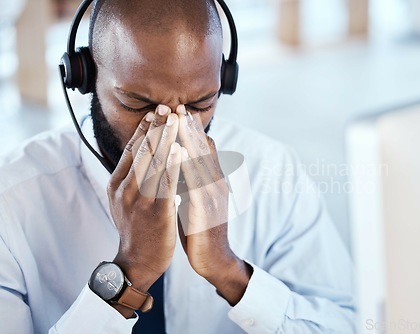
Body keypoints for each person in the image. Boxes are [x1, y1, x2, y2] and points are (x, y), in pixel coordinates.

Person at [0, 0, 354, 333]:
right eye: (137, 104)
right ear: (84, 75)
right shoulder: (11, 201)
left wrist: (228, 271)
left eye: (201, 104)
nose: (172, 130)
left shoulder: (273, 171)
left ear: (224, 81)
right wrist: (129, 272)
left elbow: (346, 324)